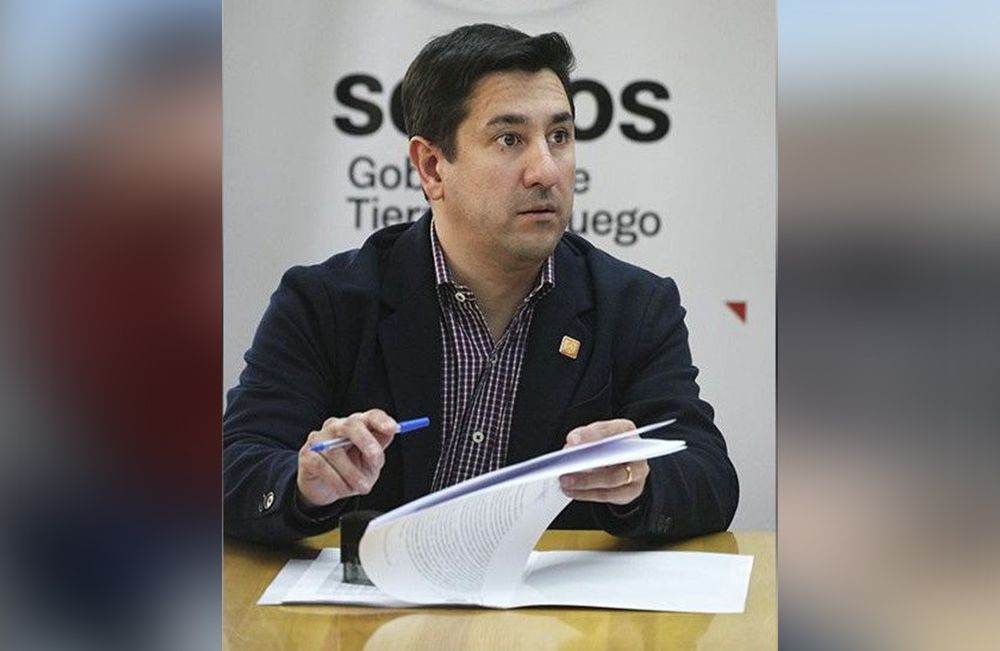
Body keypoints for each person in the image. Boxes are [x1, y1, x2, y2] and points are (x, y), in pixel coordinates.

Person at [223, 23, 738, 544]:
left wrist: (639, 483)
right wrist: (302, 485)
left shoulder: (634, 307)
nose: (546, 171)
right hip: (372, 595)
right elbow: (234, 465)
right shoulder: (325, 304)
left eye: (559, 137)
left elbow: (709, 477)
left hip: (549, 598)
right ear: (431, 167)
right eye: (509, 139)